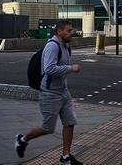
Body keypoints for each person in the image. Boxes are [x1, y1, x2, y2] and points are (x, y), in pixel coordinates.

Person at [15, 20, 83, 165]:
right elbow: (49, 69)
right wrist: (71, 68)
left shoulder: (65, 46)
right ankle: (22, 140)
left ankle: (65, 157)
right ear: (59, 32)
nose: (72, 33)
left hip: (63, 92)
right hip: (50, 94)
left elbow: (60, 67)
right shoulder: (52, 46)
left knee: (70, 122)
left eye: (72, 30)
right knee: (47, 128)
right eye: (68, 30)